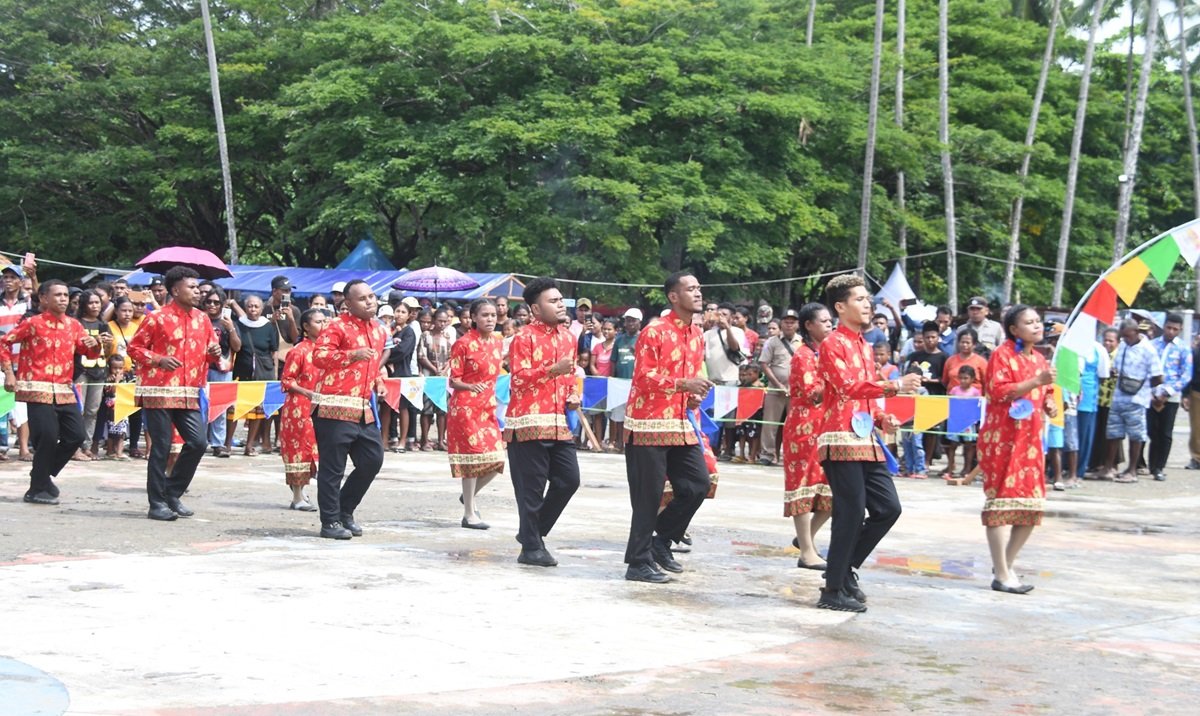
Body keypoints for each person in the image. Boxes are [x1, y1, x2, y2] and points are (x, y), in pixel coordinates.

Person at [815, 274, 920, 613]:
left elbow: (864, 394)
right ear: (840, 307)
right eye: (859, 299)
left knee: (889, 508)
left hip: (865, 437)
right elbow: (847, 386)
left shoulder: (863, 344)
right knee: (849, 511)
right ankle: (832, 590)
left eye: (867, 298)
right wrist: (894, 385)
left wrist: (880, 417)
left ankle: (844, 569)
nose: (867, 304)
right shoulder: (832, 343)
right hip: (838, 437)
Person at [622, 271, 712, 583]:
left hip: (679, 422)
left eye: (699, 288)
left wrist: (693, 396)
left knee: (698, 484)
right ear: (674, 297)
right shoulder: (654, 331)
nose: (698, 293)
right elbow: (643, 379)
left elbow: (687, 383)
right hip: (647, 423)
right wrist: (683, 384)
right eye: (691, 288)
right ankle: (637, 562)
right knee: (648, 496)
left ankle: (660, 541)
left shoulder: (697, 334)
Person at [127, 266, 221, 521]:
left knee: (198, 443)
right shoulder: (156, 317)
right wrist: (158, 359)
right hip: (158, 390)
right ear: (175, 290)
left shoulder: (202, 319)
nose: (197, 291)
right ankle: (156, 503)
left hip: (189, 391)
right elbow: (134, 349)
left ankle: (171, 491)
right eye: (191, 287)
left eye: (196, 287)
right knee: (162, 447)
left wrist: (214, 354)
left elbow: (212, 350)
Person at [0, 280, 105, 504]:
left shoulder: (74, 325)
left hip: (64, 389)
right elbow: (4, 343)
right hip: (36, 388)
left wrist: (94, 343)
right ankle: (37, 489)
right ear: (44, 299)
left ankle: (40, 476)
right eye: (57, 295)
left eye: (66, 295)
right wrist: (9, 372)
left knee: (76, 435)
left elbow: (91, 353)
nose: (63, 299)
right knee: (47, 436)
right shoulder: (32, 323)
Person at [977, 305, 1057, 594]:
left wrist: (1049, 401)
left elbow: (1044, 393)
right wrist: (1037, 382)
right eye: (1029, 322)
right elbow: (998, 391)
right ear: (1014, 329)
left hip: (1031, 443)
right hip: (1002, 439)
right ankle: (1001, 571)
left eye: (1038, 321)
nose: (1037, 326)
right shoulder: (1001, 355)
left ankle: (1004, 566)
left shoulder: (1039, 359)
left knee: (1030, 507)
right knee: (1000, 505)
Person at [504, 277, 581, 568]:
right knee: (531, 491)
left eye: (561, 300)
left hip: (559, 423)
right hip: (527, 423)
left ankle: (530, 534)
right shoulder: (523, 338)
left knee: (569, 480)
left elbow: (569, 377)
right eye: (553, 301)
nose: (560, 304)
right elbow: (518, 380)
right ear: (535, 309)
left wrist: (572, 395)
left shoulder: (569, 338)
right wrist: (552, 370)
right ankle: (532, 548)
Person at [310, 280, 389, 540]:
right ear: (348, 303)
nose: (370, 301)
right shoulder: (336, 326)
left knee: (372, 460)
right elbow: (319, 357)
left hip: (363, 407)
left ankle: (345, 510)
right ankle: (330, 521)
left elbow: (373, 366)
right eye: (362, 298)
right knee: (333, 468)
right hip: (333, 406)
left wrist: (378, 382)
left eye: (371, 296)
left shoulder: (379, 331)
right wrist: (352, 355)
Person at [782, 302, 834, 571]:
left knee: (830, 491)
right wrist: (838, 379)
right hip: (804, 428)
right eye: (823, 321)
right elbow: (814, 392)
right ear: (809, 326)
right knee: (803, 487)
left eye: (830, 321)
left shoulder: (828, 352)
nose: (829, 324)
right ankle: (806, 551)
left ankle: (806, 541)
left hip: (827, 427)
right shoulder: (803, 355)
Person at [447, 298, 505, 529]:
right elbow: (454, 379)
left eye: (493, 315)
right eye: (485, 315)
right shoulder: (463, 344)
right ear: (473, 318)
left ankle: (468, 496)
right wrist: (470, 387)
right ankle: (469, 513)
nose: (490, 319)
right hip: (465, 408)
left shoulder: (498, 343)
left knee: (497, 459)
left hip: (487, 407)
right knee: (471, 461)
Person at [1100, 319, 1163, 482]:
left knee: (1135, 435)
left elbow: (1158, 376)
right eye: (1123, 337)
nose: (1125, 339)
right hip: (1118, 397)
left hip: (1137, 398)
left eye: (1128, 336)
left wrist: (1150, 391)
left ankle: (1132, 470)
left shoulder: (1149, 350)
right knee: (1113, 433)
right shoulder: (1123, 346)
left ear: (1136, 332)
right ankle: (1109, 468)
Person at [279, 309, 327, 511]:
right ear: (306, 327)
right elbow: (286, 381)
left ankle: (302, 492)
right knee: (298, 449)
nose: (323, 325)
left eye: (325, 321)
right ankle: (297, 497)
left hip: (320, 407)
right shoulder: (298, 351)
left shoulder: (327, 351)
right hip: (298, 408)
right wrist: (306, 392)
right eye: (318, 322)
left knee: (316, 450)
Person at [1147, 313, 1191, 481]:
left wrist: (1168, 392)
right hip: (1152, 393)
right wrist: (1153, 392)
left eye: (1175, 329)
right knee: (1151, 430)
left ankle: (1159, 467)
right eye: (1168, 327)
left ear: (1179, 330)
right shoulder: (1152, 345)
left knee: (1165, 432)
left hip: (1170, 396)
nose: (1171, 331)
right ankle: (1149, 464)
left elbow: (1186, 374)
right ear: (1163, 326)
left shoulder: (1183, 348)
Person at [233, 294, 279, 456]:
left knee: (258, 411)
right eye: (250, 306)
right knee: (236, 409)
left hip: (263, 373)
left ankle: (250, 444)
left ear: (261, 308)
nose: (253, 309)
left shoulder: (268, 326)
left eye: (256, 306)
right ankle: (227, 444)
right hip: (242, 372)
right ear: (245, 308)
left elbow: (273, 351)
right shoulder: (238, 324)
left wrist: (274, 375)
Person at [758, 308, 803, 466]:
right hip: (775, 389)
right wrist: (778, 384)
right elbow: (764, 363)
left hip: (796, 391)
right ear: (781, 324)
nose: (789, 325)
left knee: (795, 424)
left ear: (797, 324)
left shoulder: (802, 342)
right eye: (786, 322)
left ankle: (793, 454)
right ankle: (767, 454)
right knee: (770, 423)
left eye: (792, 322)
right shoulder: (772, 342)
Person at [0, 261, 34, 462]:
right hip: (1, 358)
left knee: (22, 405)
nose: (8, 281)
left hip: (23, 359)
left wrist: (34, 276)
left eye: (13, 277)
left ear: (21, 281)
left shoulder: (28, 303)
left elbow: (41, 304)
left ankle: (23, 449)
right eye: (5, 277)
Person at [73, 289, 112, 460]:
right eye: (91, 302)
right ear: (83, 305)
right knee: (78, 410)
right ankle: (74, 446)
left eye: (97, 302)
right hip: (81, 371)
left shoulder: (104, 325)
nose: (95, 306)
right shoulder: (77, 323)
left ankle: (86, 445)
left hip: (100, 371)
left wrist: (108, 344)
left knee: (92, 410)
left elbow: (109, 353)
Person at [704, 302, 746, 459]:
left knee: (728, 418)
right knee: (712, 417)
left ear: (732, 317)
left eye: (724, 314)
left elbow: (735, 348)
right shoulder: (708, 333)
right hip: (712, 379)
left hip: (729, 380)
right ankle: (713, 448)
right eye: (718, 314)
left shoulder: (737, 332)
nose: (720, 317)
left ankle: (729, 449)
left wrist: (727, 327)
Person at [202, 287, 240, 458]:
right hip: (201, 367)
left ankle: (218, 443)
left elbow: (238, 347)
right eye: (209, 301)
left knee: (220, 407)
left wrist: (231, 328)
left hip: (222, 368)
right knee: (199, 406)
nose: (212, 305)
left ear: (222, 304)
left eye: (216, 302)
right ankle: (199, 442)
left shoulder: (228, 322)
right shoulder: (200, 320)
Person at [905, 321, 949, 472]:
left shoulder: (943, 357)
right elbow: (908, 374)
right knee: (914, 430)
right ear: (922, 338)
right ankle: (913, 461)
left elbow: (945, 379)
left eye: (933, 337)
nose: (930, 340)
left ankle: (927, 461)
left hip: (935, 396)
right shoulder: (915, 356)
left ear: (938, 338)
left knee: (931, 430)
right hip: (917, 395)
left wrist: (930, 380)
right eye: (927, 337)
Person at [417, 308, 453, 451]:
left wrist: (443, 370)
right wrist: (434, 369)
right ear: (434, 320)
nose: (442, 324)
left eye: (445, 321)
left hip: (442, 379)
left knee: (442, 410)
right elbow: (421, 355)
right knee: (426, 410)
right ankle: (425, 440)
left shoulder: (447, 338)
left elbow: (451, 357)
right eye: (440, 320)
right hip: (429, 377)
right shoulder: (426, 335)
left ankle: (440, 440)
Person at [1075, 335, 1110, 479]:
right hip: (1066, 396)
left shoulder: (1098, 349)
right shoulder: (1070, 345)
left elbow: (1103, 375)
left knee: (1084, 435)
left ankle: (1079, 470)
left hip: (1087, 399)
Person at [610, 308, 641, 453]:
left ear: (639, 322)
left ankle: (632, 443)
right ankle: (620, 443)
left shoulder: (643, 339)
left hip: (636, 383)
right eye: (627, 320)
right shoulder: (619, 340)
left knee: (634, 414)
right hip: (619, 382)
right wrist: (612, 379)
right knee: (619, 414)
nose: (629, 323)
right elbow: (613, 361)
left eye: (632, 320)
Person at [945, 365, 982, 478]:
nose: (963, 381)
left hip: (968, 422)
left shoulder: (975, 392)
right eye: (960, 378)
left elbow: (978, 406)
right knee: (952, 444)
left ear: (972, 379)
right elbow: (950, 403)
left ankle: (967, 468)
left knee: (969, 445)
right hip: (955, 420)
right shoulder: (954, 390)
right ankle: (951, 467)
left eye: (966, 378)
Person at [100, 354, 132, 460]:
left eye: (120, 368)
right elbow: (112, 391)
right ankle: (109, 451)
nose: (118, 371)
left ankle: (119, 451)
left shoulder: (126, 377)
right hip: (111, 408)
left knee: (122, 430)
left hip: (122, 405)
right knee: (111, 430)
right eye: (115, 368)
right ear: (110, 367)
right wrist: (116, 382)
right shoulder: (109, 379)